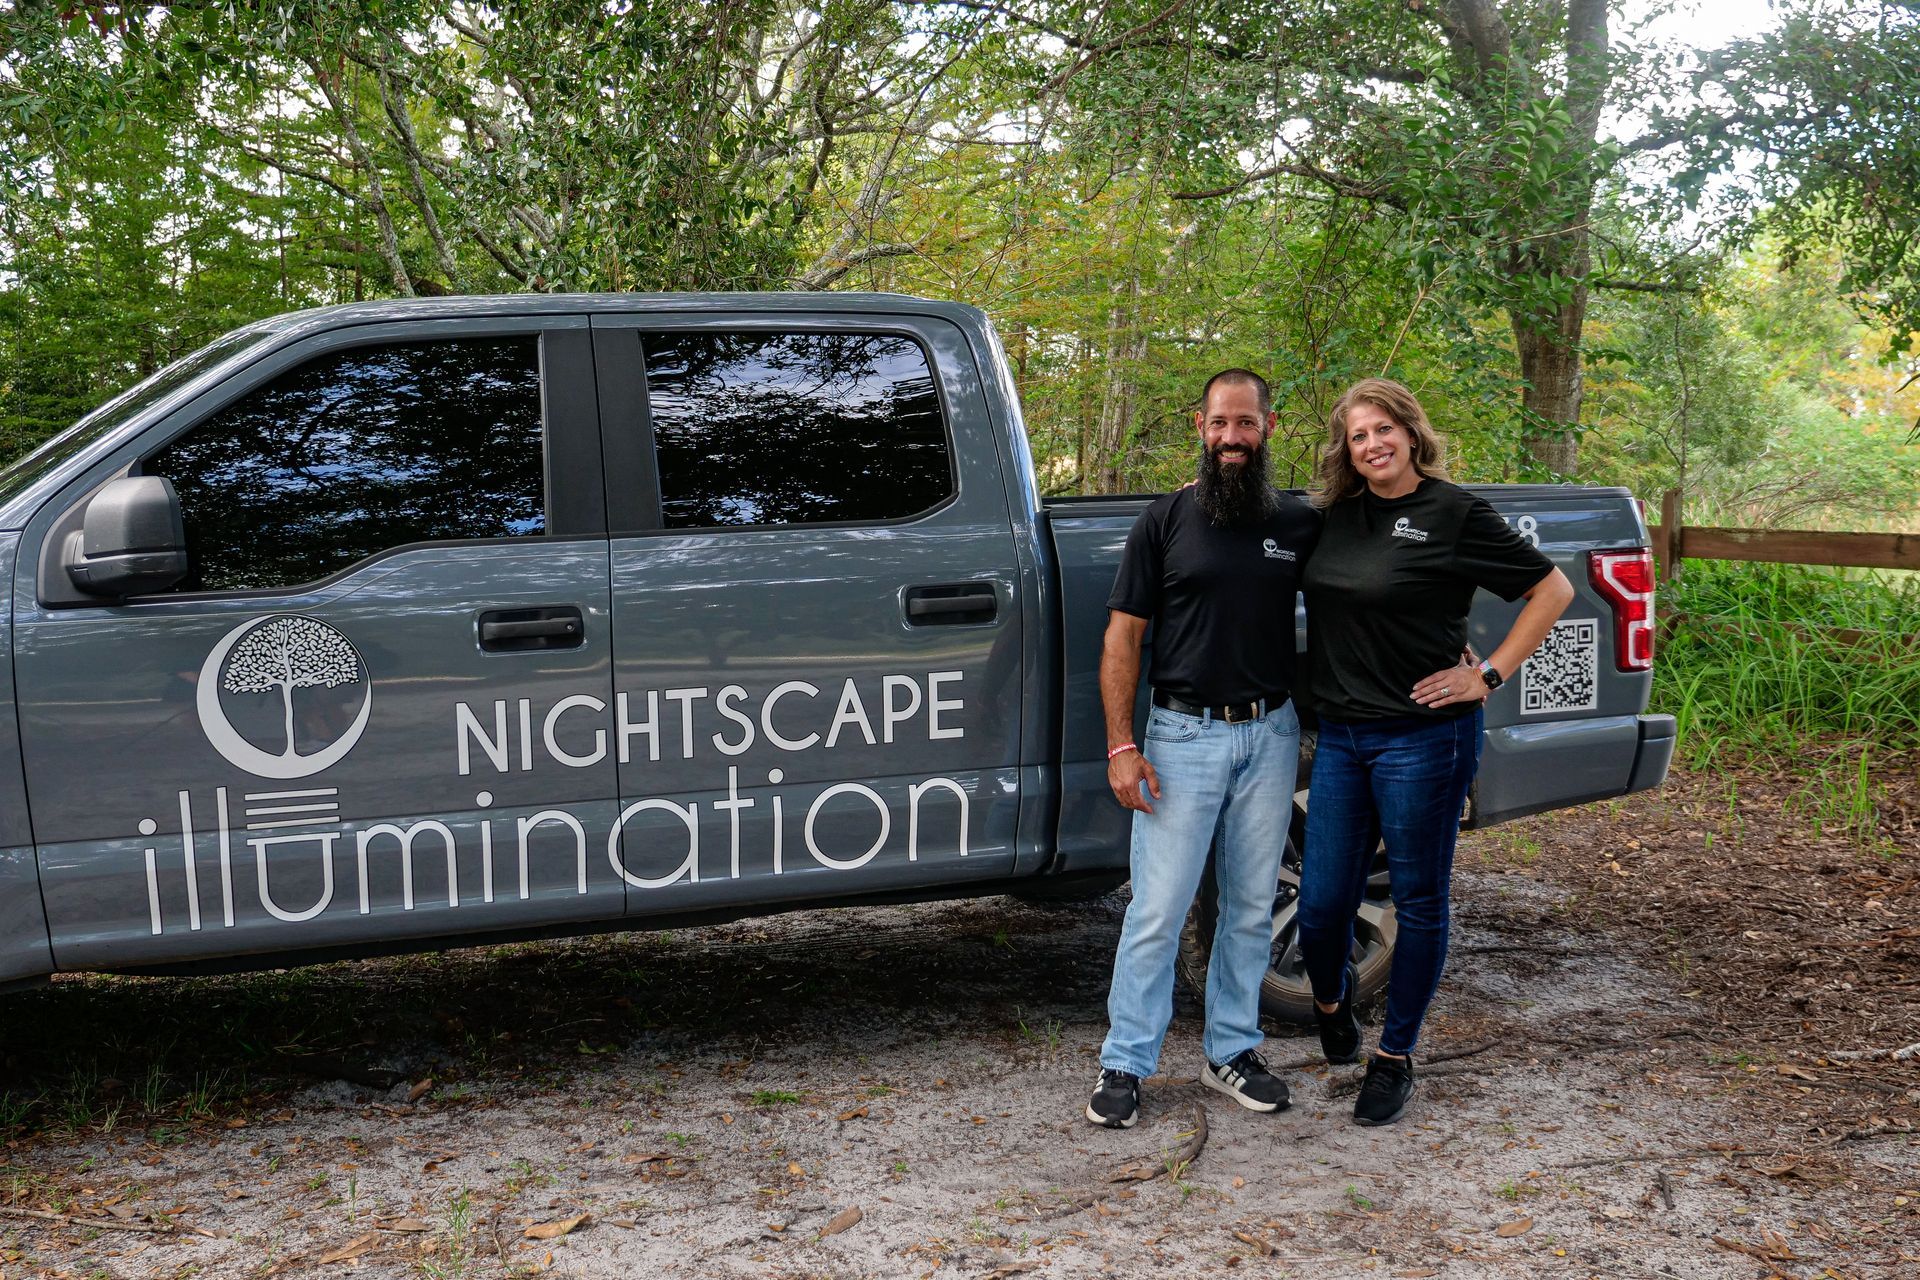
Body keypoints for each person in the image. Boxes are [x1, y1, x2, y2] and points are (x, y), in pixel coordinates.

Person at [1296, 377, 1574, 1126]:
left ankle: (1395, 1056)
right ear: (1345, 451)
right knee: (1320, 908)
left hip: (1424, 738)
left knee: (1419, 900)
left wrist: (1485, 674)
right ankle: (1332, 1004)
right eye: (1358, 435)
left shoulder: (1454, 513)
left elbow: (1551, 591)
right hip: (1343, 738)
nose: (1373, 444)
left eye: (1384, 428)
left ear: (1412, 433)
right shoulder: (1335, 518)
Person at [1087, 369, 1320, 1129]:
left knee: (1251, 907)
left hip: (1272, 732)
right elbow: (1123, 637)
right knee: (1157, 908)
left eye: (1245, 424)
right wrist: (1123, 744)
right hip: (1181, 736)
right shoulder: (1166, 521)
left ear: (1269, 428)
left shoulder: (1295, 524)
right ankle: (1125, 1063)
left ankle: (1232, 1053)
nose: (1231, 438)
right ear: (1200, 425)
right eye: (1220, 424)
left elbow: (1372, 585)